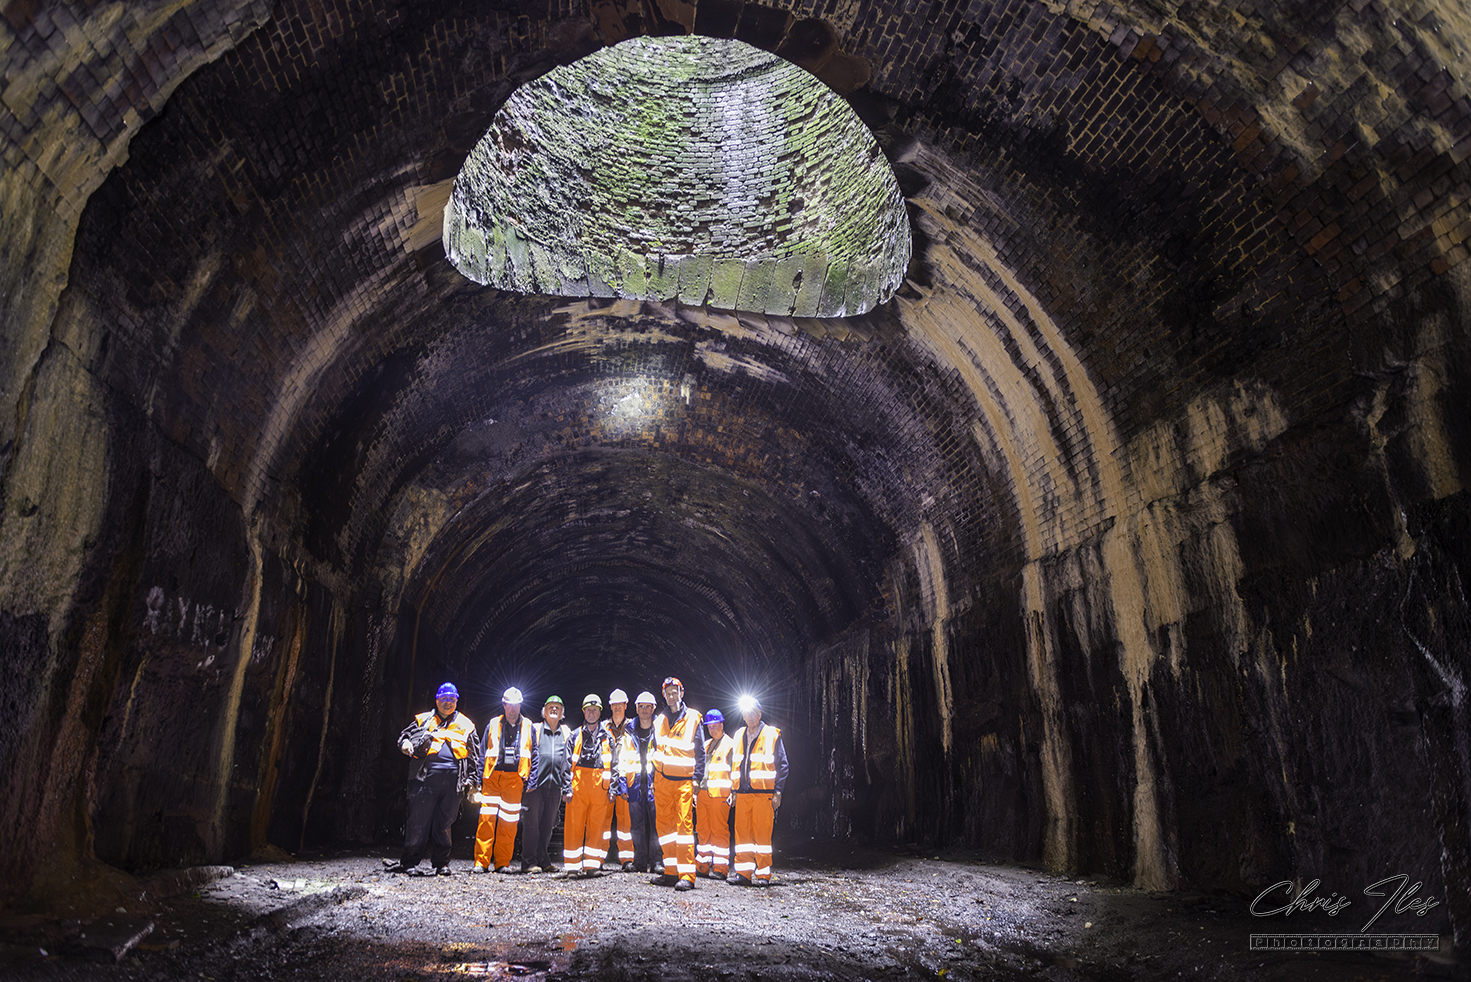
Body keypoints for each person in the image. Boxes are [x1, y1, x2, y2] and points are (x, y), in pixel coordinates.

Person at [386, 682, 479, 875]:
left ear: (456, 701)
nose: (448, 703)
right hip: (424, 779)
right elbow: (405, 735)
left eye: (451, 699)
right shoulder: (424, 720)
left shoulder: (466, 724)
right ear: (437, 700)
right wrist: (404, 744)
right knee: (418, 821)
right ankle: (410, 862)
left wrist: (473, 781)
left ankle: (441, 863)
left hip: (454, 782)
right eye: (444, 699)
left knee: (445, 822)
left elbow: (474, 755)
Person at [472, 686, 535, 874]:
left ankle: (502, 863)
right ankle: (481, 862)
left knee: (508, 823)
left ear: (520, 705)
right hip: (492, 778)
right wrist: (478, 778)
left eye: (516, 705)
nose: (513, 709)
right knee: (486, 821)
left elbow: (535, 754)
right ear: (504, 704)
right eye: (510, 705)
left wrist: (531, 780)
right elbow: (482, 752)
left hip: (515, 779)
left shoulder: (528, 726)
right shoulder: (492, 724)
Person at [652, 676, 706, 891]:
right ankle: (671, 872)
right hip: (662, 782)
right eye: (668, 692)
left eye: (675, 691)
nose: (671, 695)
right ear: (663, 695)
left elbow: (700, 752)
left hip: (684, 782)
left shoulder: (693, 718)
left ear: (681, 693)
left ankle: (687, 875)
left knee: (683, 828)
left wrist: (697, 778)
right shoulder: (659, 720)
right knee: (664, 829)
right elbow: (656, 750)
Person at [727, 696, 788, 886]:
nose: (750, 716)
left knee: (762, 835)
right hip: (743, 794)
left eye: (754, 712)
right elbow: (733, 765)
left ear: (759, 714)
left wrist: (778, 791)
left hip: (763, 794)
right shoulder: (738, 735)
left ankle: (763, 874)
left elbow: (783, 765)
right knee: (742, 835)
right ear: (743, 715)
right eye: (746, 712)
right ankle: (743, 874)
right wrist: (733, 790)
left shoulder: (771, 734)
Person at [561, 694, 615, 877]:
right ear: (583, 711)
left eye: (595, 710)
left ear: (600, 712)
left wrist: (612, 789)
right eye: (588, 710)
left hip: (600, 787)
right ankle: (573, 867)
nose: (591, 713)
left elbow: (614, 765)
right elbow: (566, 763)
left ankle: (592, 866)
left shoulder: (608, 738)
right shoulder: (574, 736)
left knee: (596, 827)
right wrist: (566, 788)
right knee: (574, 826)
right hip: (578, 786)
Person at [521, 695, 571, 873]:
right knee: (531, 824)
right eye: (551, 706)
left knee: (548, 824)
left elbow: (569, 760)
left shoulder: (566, 732)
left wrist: (567, 785)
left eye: (558, 707)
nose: (554, 709)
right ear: (544, 710)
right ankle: (528, 862)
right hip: (535, 786)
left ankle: (543, 860)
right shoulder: (534, 729)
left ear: (562, 712)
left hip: (555, 786)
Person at [624, 691, 660, 872]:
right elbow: (623, 758)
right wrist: (625, 784)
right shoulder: (628, 730)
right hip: (635, 784)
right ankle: (639, 861)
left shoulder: (661, 728)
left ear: (653, 708)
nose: (645, 710)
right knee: (636, 825)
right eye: (641, 706)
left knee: (656, 825)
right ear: (636, 708)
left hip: (655, 784)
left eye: (648, 706)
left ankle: (657, 861)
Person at [695, 708, 734, 878]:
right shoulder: (706, 745)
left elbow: (737, 771)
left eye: (715, 725)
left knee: (719, 831)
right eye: (709, 726)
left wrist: (734, 791)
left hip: (720, 795)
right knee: (702, 829)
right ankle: (702, 865)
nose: (712, 729)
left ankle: (720, 868)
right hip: (703, 794)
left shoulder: (730, 745)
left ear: (721, 724)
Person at [602, 689, 637, 870]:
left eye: (620, 704)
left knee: (626, 823)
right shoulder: (602, 728)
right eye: (614, 704)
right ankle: (598, 858)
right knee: (602, 821)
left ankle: (627, 859)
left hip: (625, 780)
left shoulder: (633, 727)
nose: (617, 707)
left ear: (625, 705)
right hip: (606, 781)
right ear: (610, 705)